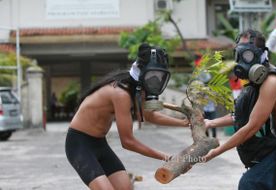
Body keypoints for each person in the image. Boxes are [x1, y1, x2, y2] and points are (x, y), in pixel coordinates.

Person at [65, 43, 189, 190]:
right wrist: (166, 157)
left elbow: (149, 116)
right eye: (152, 75)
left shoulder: (139, 89)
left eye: (160, 75)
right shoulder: (120, 93)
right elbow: (128, 142)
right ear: (141, 72)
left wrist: (184, 123)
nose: (155, 80)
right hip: (79, 144)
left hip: (99, 143)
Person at [202, 29, 276, 189]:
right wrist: (210, 123)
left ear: (261, 54)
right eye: (239, 55)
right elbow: (240, 116)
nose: (241, 61)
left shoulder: (271, 82)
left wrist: (216, 152)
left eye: (247, 55)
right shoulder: (259, 83)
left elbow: (251, 126)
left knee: (250, 183)